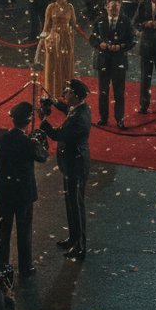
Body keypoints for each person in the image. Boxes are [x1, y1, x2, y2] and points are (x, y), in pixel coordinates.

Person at [0, 102, 47, 280]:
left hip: (4, 189)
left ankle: (1, 265)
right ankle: (25, 266)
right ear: (28, 121)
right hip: (22, 193)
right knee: (24, 231)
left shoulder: (1, 135)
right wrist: (40, 139)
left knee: (3, 229)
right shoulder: (29, 143)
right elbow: (42, 156)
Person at [38, 79, 91, 261]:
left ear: (76, 96)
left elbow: (58, 135)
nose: (64, 94)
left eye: (67, 91)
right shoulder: (79, 109)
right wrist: (53, 101)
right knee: (70, 204)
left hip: (75, 165)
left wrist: (43, 122)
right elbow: (66, 109)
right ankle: (73, 238)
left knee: (76, 206)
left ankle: (80, 245)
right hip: (71, 164)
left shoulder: (78, 119)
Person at [89, 0, 134, 128]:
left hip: (119, 60)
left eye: (116, 7)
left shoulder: (125, 21)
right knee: (103, 91)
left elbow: (131, 40)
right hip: (103, 60)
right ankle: (103, 118)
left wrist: (121, 46)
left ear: (120, 7)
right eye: (111, 7)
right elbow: (92, 38)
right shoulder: (99, 21)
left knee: (119, 92)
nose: (113, 9)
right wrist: (100, 44)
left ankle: (119, 119)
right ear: (106, 7)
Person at [41, 0, 78, 100]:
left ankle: (66, 91)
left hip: (67, 40)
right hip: (54, 39)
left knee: (66, 65)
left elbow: (73, 24)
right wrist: (44, 39)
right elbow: (46, 25)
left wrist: (71, 33)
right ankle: (53, 91)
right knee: (54, 66)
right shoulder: (50, 7)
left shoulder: (70, 7)